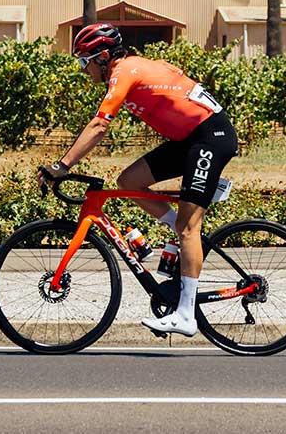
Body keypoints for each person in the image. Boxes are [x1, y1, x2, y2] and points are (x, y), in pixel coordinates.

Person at [40, 23, 237, 338]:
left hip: (210, 137)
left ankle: (186, 316)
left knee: (190, 228)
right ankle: (179, 230)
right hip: (190, 139)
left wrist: (62, 165)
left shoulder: (126, 70)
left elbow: (99, 127)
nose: (82, 69)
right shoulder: (135, 68)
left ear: (103, 57)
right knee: (129, 180)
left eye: (84, 61)